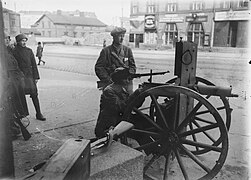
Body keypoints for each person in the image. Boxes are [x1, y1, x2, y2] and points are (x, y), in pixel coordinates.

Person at [12, 34, 46, 121]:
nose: (24, 42)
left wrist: (36, 77)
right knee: (19, 96)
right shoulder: (14, 51)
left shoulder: (29, 51)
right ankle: (20, 115)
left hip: (29, 77)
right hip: (20, 78)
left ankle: (38, 113)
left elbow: (34, 65)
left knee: (34, 94)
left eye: (25, 40)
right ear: (18, 42)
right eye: (22, 41)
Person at [95, 27, 136, 94]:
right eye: (120, 36)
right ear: (114, 37)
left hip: (126, 85)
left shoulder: (127, 50)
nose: (122, 38)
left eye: (123, 36)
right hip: (111, 85)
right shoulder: (106, 51)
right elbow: (99, 68)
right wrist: (108, 80)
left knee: (129, 102)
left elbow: (133, 67)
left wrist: (128, 75)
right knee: (111, 102)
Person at [4, 32, 29, 139]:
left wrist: (21, 76)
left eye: (8, 38)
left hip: (15, 82)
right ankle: (13, 130)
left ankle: (15, 127)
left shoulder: (8, 51)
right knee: (10, 107)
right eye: (5, 39)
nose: (8, 40)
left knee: (16, 107)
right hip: (9, 83)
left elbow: (16, 65)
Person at [94, 67, 130, 137]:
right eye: (125, 79)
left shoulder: (122, 89)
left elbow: (131, 107)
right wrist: (135, 95)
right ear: (119, 79)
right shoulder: (109, 91)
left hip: (117, 121)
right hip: (107, 125)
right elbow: (120, 107)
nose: (128, 81)